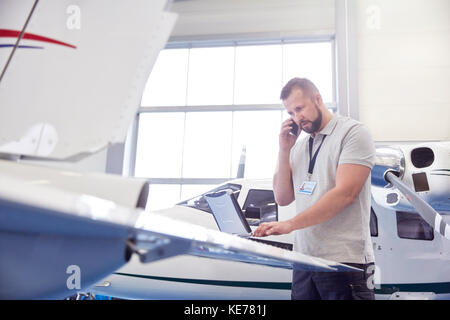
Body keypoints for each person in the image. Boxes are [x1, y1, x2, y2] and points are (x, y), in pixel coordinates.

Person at [253, 77, 376, 300]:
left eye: (300, 108)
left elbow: (345, 194)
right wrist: (283, 150)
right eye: (290, 113)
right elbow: (282, 197)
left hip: (343, 261)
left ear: (317, 99)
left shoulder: (353, 133)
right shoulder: (298, 147)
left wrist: (290, 224)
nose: (296, 118)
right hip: (304, 260)